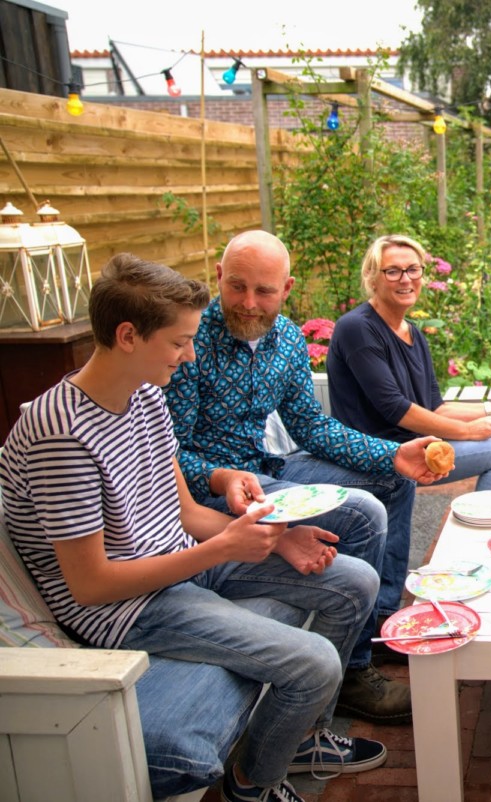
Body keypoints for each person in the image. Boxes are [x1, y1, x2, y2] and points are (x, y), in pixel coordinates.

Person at [0, 254, 388, 802]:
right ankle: (253, 785)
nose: (190, 355)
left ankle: (297, 738)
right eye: (179, 342)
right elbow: (91, 586)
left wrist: (276, 539)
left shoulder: (146, 399)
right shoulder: (58, 434)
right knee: (315, 662)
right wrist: (223, 549)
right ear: (128, 335)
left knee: (355, 583)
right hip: (127, 609)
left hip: (181, 566)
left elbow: (185, 514)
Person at [165, 230, 446, 725]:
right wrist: (217, 474)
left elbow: (312, 427)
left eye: (264, 291)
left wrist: (393, 453)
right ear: (218, 278)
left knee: (392, 480)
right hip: (219, 490)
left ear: (287, 289)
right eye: (237, 287)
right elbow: (169, 453)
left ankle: (378, 621)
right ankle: (354, 672)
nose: (249, 303)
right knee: (362, 514)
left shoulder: (288, 340)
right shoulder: (188, 343)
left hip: (273, 467)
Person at [326, 233, 491, 504]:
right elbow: (395, 408)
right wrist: (469, 431)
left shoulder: (412, 332)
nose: (406, 279)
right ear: (372, 277)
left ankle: (483, 524)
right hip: (382, 453)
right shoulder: (358, 328)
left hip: (413, 442)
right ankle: (480, 533)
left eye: (413, 269)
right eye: (392, 271)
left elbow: (435, 406)